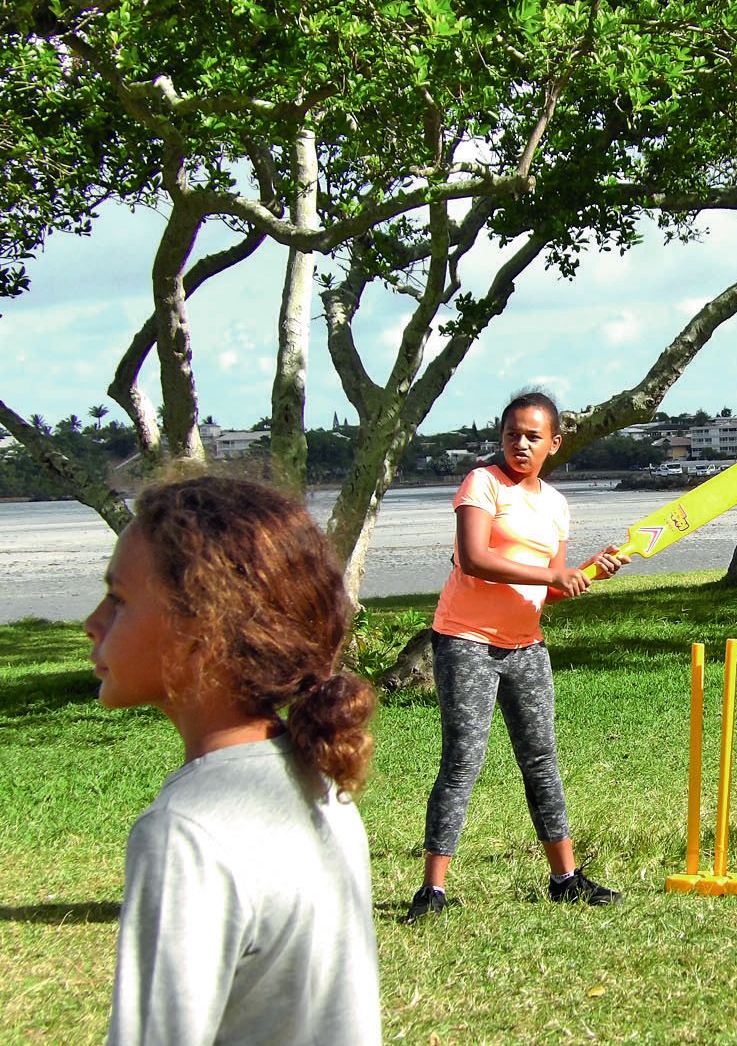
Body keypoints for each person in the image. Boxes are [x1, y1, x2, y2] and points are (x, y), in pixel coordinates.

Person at [86, 477, 380, 1045]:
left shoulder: (186, 831)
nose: (92, 622)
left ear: (202, 628)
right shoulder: (311, 779)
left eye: (118, 599)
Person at [406, 391, 627, 922]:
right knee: (463, 760)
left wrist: (587, 571)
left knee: (542, 761)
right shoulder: (482, 484)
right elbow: (477, 559)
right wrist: (553, 574)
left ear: (554, 443)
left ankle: (565, 878)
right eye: (512, 435)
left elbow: (551, 588)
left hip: (526, 646)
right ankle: (432, 890)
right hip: (466, 640)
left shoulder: (555, 503)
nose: (521, 444)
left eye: (533, 437)